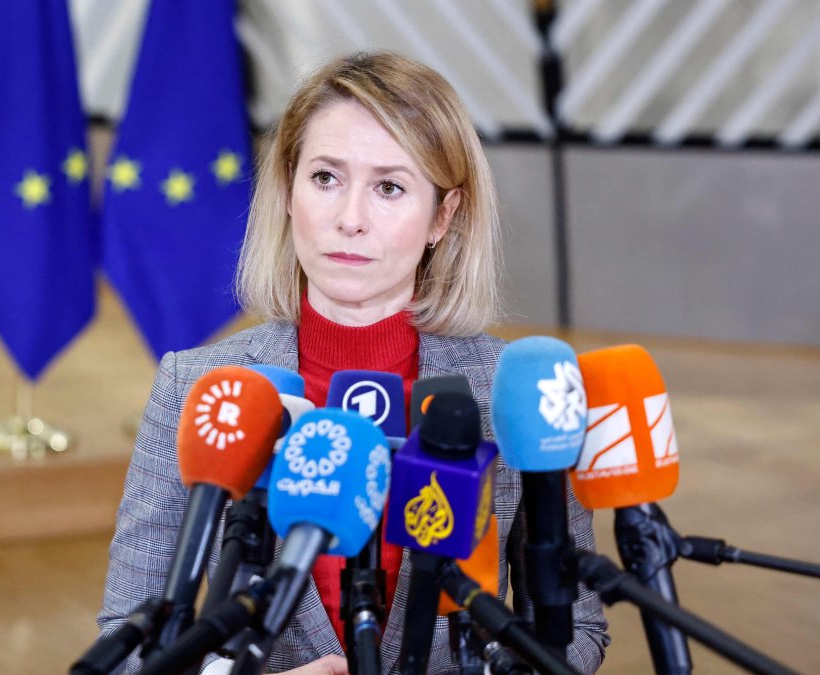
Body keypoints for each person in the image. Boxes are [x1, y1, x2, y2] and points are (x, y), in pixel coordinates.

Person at [97, 51, 609, 675]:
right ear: (287, 191)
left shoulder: (513, 395)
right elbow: (129, 638)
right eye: (326, 178)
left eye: (389, 187)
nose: (349, 220)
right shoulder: (195, 387)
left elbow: (573, 628)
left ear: (442, 218)